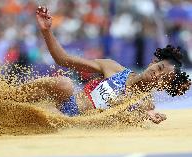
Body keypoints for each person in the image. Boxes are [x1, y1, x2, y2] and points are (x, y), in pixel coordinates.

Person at [13, 6, 191, 124]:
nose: (157, 75)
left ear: (163, 86)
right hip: (66, 106)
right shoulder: (112, 67)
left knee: (51, 115)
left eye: (163, 78)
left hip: (77, 124)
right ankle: (4, 99)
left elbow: (132, 118)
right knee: (65, 84)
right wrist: (47, 31)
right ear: (153, 62)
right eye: (159, 68)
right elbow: (63, 60)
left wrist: (145, 115)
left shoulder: (145, 102)